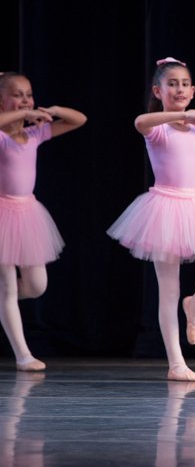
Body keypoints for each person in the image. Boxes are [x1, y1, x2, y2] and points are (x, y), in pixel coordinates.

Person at [107, 57, 195, 382]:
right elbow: (140, 121)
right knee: (168, 289)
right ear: (158, 90)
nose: (179, 89)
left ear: (193, 90)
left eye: (185, 84)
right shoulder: (158, 128)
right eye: (172, 84)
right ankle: (176, 362)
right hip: (164, 209)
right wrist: (183, 115)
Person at [0, 71, 87, 371]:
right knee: (8, 289)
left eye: (28, 94)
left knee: (37, 285)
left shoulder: (34, 134)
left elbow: (79, 120)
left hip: (27, 214)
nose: (25, 100)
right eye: (17, 94)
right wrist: (25, 113)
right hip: (2, 214)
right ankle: (23, 355)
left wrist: (52, 112)